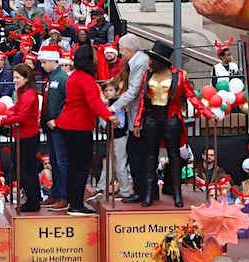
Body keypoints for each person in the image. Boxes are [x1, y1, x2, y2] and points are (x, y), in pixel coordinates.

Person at [132, 40, 215, 208]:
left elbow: (192, 96)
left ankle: (177, 194)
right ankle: (148, 194)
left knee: (174, 157)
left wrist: (208, 113)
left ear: (159, 60)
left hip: (171, 119)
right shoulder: (147, 75)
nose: (149, 62)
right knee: (150, 157)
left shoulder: (179, 75)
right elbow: (142, 99)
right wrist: (137, 122)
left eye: (151, 59)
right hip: (152, 119)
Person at [56, 45, 115, 215]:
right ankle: (76, 204)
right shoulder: (85, 79)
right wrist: (108, 116)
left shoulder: (75, 76)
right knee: (80, 166)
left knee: (74, 166)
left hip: (70, 125)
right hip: (78, 126)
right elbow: (94, 102)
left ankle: (72, 201)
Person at [111, 35, 149, 203]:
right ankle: (145, 191)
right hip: (136, 113)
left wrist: (113, 107)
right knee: (138, 155)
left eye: (121, 49)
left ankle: (141, 192)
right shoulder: (135, 62)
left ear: (129, 49)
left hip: (140, 116)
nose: (119, 52)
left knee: (136, 155)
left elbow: (134, 91)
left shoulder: (139, 62)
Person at [0, 62, 41, 212]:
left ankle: (33, 200)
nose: (14, 80)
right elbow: (17, 108)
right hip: (24, 135)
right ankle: (33, 198)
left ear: (25, 78)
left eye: (17, 77)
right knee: (25, 169)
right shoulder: (25, 92)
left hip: (27, 136)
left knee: (24, 170)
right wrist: (8, 113)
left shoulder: (28, 94)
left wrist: (4, 120)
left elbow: (21, 116)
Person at [38, 49, 70, 211]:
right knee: (55, 162)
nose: (42, 66)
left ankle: (64, 196)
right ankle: (56, 193)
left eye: (44, 62)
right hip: (50, 126)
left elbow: (69, 103)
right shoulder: (51, 78)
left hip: (58, 126)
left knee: (61, 162)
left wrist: (57, 119)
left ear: (53, 61)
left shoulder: (63, 78)